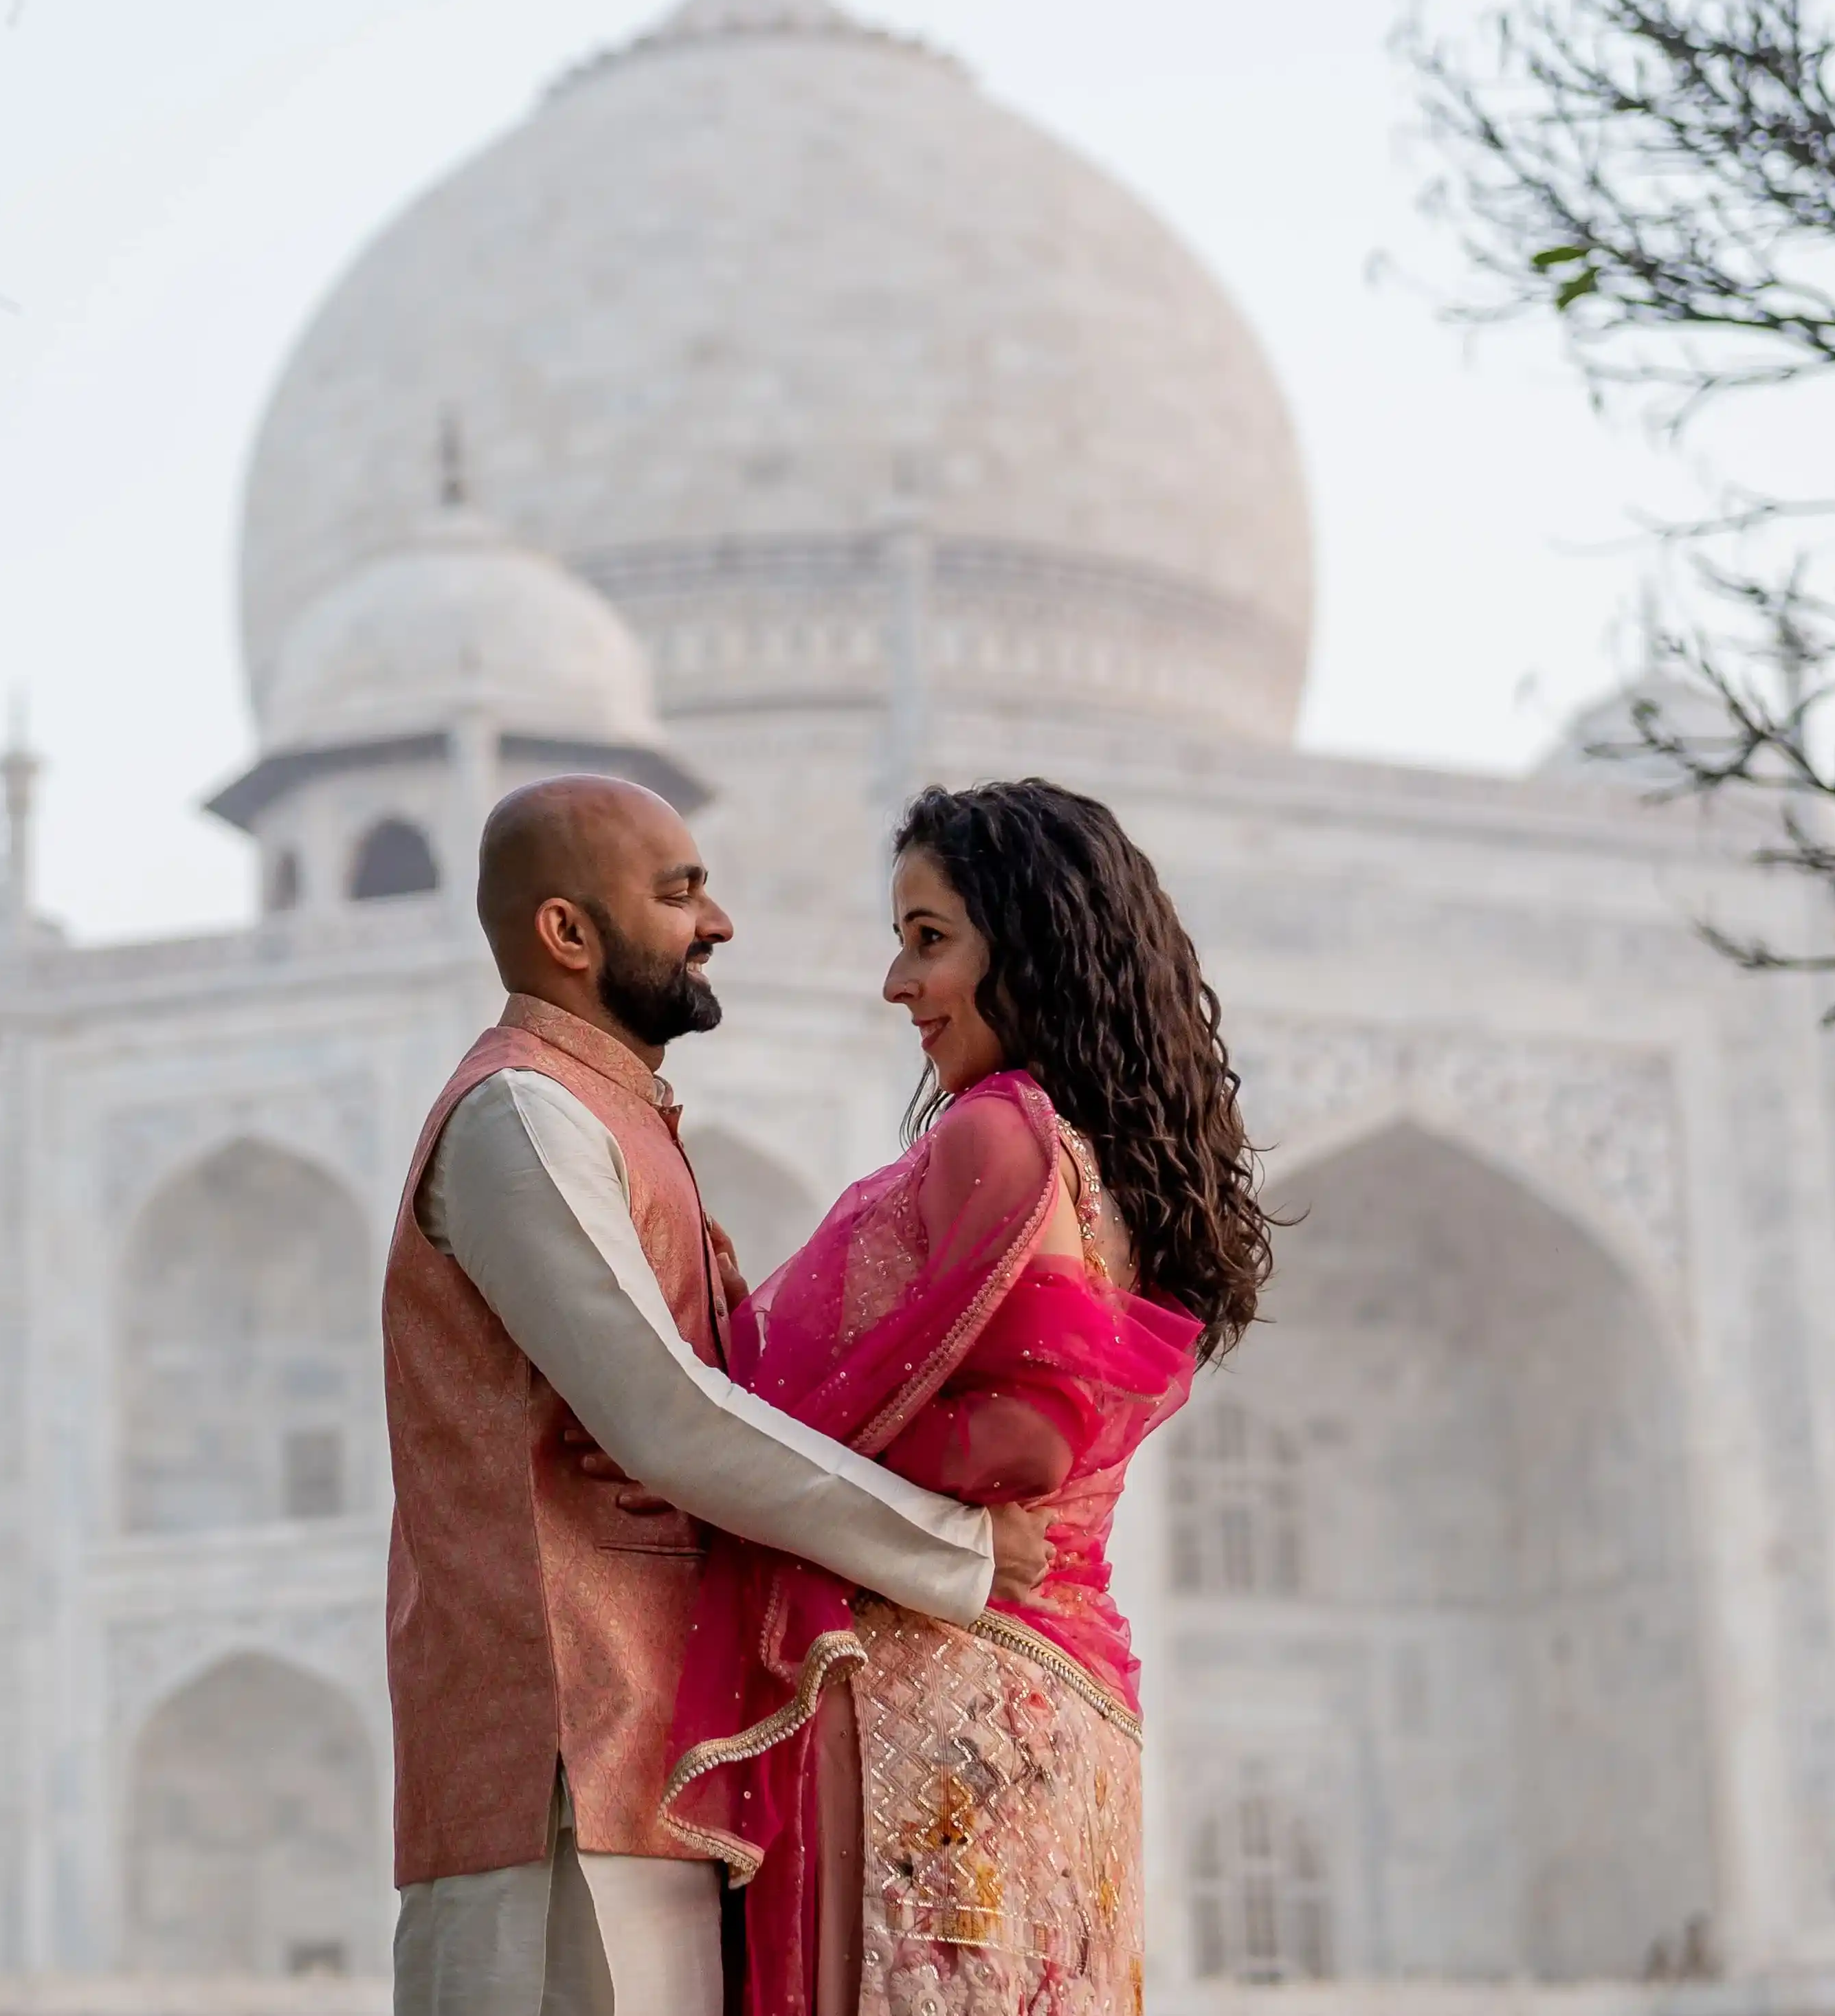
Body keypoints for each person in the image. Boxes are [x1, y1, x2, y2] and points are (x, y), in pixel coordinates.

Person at [386, 773, 1057, 2016]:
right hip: (551, 1778)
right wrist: (959, 1547)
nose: (718, 921)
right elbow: (666, 1418)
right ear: (567, 932)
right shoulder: (520, 1117)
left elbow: (690, 1410)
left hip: (646, 1762)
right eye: (679, 891)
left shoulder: (619, 1121)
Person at [663, 779, 1274, 2016]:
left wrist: (736, 1446)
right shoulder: (1111, 1169)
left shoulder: (998, 1134)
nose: (897, 982)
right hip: (1069, 1711)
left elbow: (1021, 1435)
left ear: (1030, 940)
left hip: (932, 1692)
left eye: (929, 939)